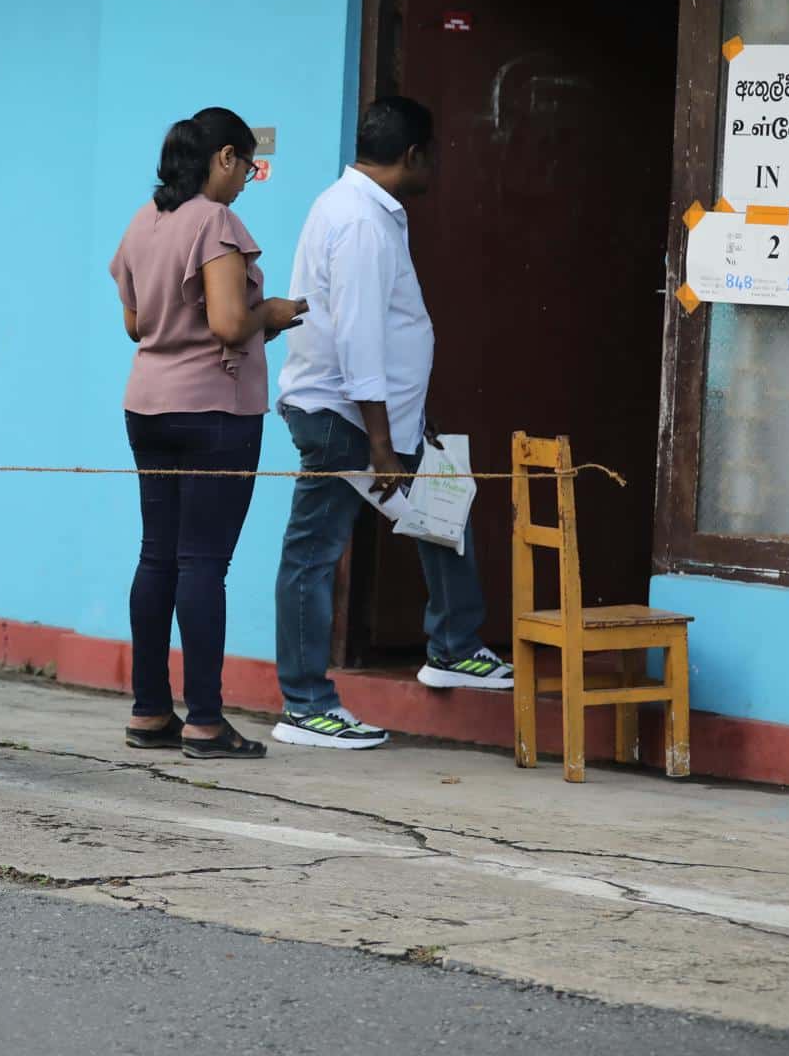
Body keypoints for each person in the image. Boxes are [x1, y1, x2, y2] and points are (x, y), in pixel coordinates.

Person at [271, 97, 511, 752]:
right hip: (344, 422)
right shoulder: (362, 224)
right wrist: (380, 444)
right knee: (313, 552)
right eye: (432, 154)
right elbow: (359, 342)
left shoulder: (354, 207)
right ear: (413, 156)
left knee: (444, 500)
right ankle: (305, 705)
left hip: (380, 418)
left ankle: (456, 645)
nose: (434, 166)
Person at [109, 109, 307, 759]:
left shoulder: (146, 220)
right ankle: (204, 721)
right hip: (214, 411)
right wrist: (269, 314)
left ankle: (147, 711)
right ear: (223, 157)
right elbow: (227, 323)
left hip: (148, 406)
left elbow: (136, 323)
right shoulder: (214, 222)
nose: (247, 180)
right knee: (202, 563)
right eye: (246, 167)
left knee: (156, 556)